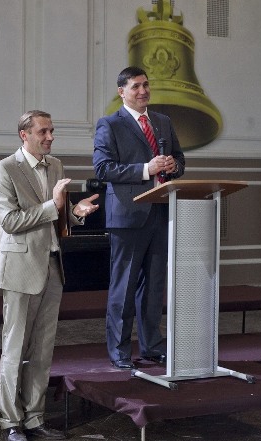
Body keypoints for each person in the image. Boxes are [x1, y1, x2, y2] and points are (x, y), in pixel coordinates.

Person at [0, 110, 99, 441]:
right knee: (15, 349)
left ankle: (35, 419)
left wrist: (75, 213)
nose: (50, 137)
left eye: (52, 131)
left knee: (42, 350)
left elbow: (59, 220)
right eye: (43, 132)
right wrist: (54, 205)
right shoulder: (3, 169)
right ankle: (11, 422)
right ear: (24, 135)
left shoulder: (56, 166)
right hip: (20, 268)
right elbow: (10, 222)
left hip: (53, 266)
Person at [93, 66, 185, 370]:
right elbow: (103, 169)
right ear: (122, 92)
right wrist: (147, 169)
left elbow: (180, 160)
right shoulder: (110, 124)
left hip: (160, 211)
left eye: (146, 85)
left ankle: (152, 346)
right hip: (128, 215)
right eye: (136, 86)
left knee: (154, 285)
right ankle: (119, 351)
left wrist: (172, 165)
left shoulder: (162, 121)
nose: (143, 91)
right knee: (124, 286)